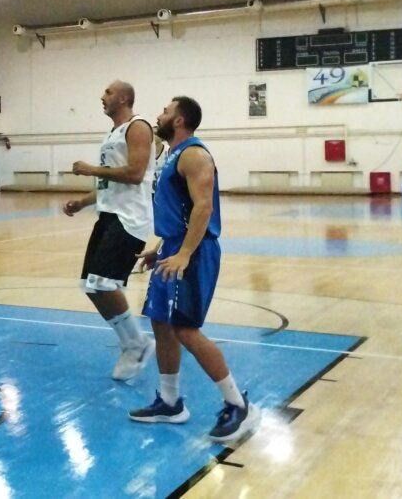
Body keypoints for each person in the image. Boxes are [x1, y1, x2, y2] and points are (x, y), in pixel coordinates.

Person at [129, 96, 260, 443]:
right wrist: (161, 248)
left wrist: (185, 253)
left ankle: (239, 405)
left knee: (186, 330)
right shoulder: (172, 155)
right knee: (160, 323)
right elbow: (181, 210)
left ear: (179, 120)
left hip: (196, 252)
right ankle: (170, 402)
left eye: (166, 111)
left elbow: (203, 208)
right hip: (174, 247)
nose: (159, 115)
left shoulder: (194, 155)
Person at [65, 81, 157, 381]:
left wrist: (90, 169)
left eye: (108, 92)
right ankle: (131, 342)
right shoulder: (112, 134)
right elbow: (109, 182)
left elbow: (135, 174)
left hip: (130, 218)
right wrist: (82, 202)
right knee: (91, 286)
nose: (102, 96)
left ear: (123, 98)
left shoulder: (138, 126)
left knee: (104, 283)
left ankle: (138, 342)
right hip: (108, 215)